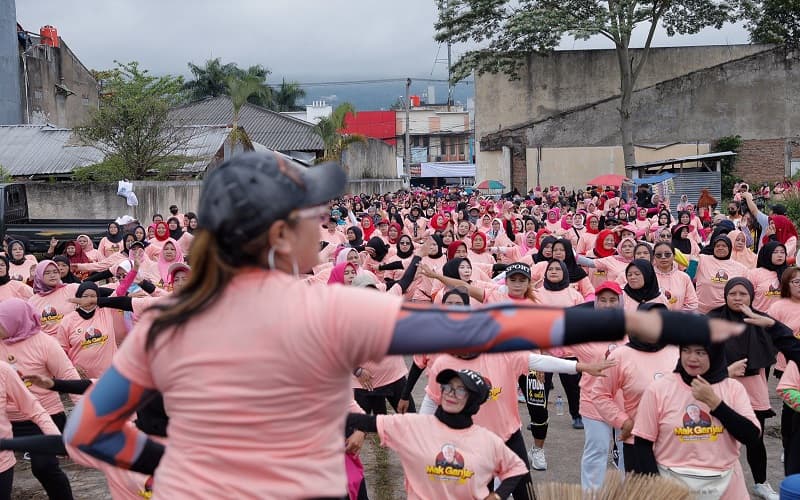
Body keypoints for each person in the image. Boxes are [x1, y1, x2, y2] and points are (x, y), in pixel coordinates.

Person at [63, 152, 742, 497]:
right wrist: (628, 319)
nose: (324, 226)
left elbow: (86, 431)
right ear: (276, 234)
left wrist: (169, 463)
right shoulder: (322, 309)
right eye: (311, 216)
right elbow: (478, 331)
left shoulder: (164, 323)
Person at [348, 369, 528, 499]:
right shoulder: (414, 426)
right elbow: (363, 421)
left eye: (460, 390)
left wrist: (497, 496)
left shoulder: (486, 440)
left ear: (473, 401)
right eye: (448, 387)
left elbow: (517, 468)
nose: (450, 394)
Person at [633, 341, 761, 500]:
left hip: (726, 484)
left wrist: (715, 403)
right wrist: (656, 487)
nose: (691, 358)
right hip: (672, 485)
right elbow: (642, 443)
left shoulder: (733, 388)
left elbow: (752, 436)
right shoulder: (658, 389)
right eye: (686, 351)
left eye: (700, 352)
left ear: (715, 354)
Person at [0, 299, 79, 500]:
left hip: (42, 414)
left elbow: (70, 378)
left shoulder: (45, 343)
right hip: (7, 418)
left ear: (15, 321)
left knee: (43, 467)